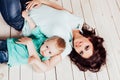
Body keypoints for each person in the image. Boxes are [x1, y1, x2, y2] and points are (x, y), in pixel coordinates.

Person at [0, 0, 106, 72]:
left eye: (81, 52)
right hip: (30, 3)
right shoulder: (79, 21)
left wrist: (31, 47)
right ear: (90, 39)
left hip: (21, 19)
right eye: (86, 47)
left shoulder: (65, 47)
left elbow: (44, 68)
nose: (80, 47)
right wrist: (41, 1)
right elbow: (59, 8)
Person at [0, 10, 66, 73]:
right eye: (47, 47)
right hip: (8, 44)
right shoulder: (41, 38)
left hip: (10, 56)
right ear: (46, 40)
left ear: (52, 55)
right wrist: (27, 18)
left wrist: (36, 61)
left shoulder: (44, 58)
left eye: (50, 52)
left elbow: (45, 68)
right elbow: (34, 28)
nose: (45, 51)